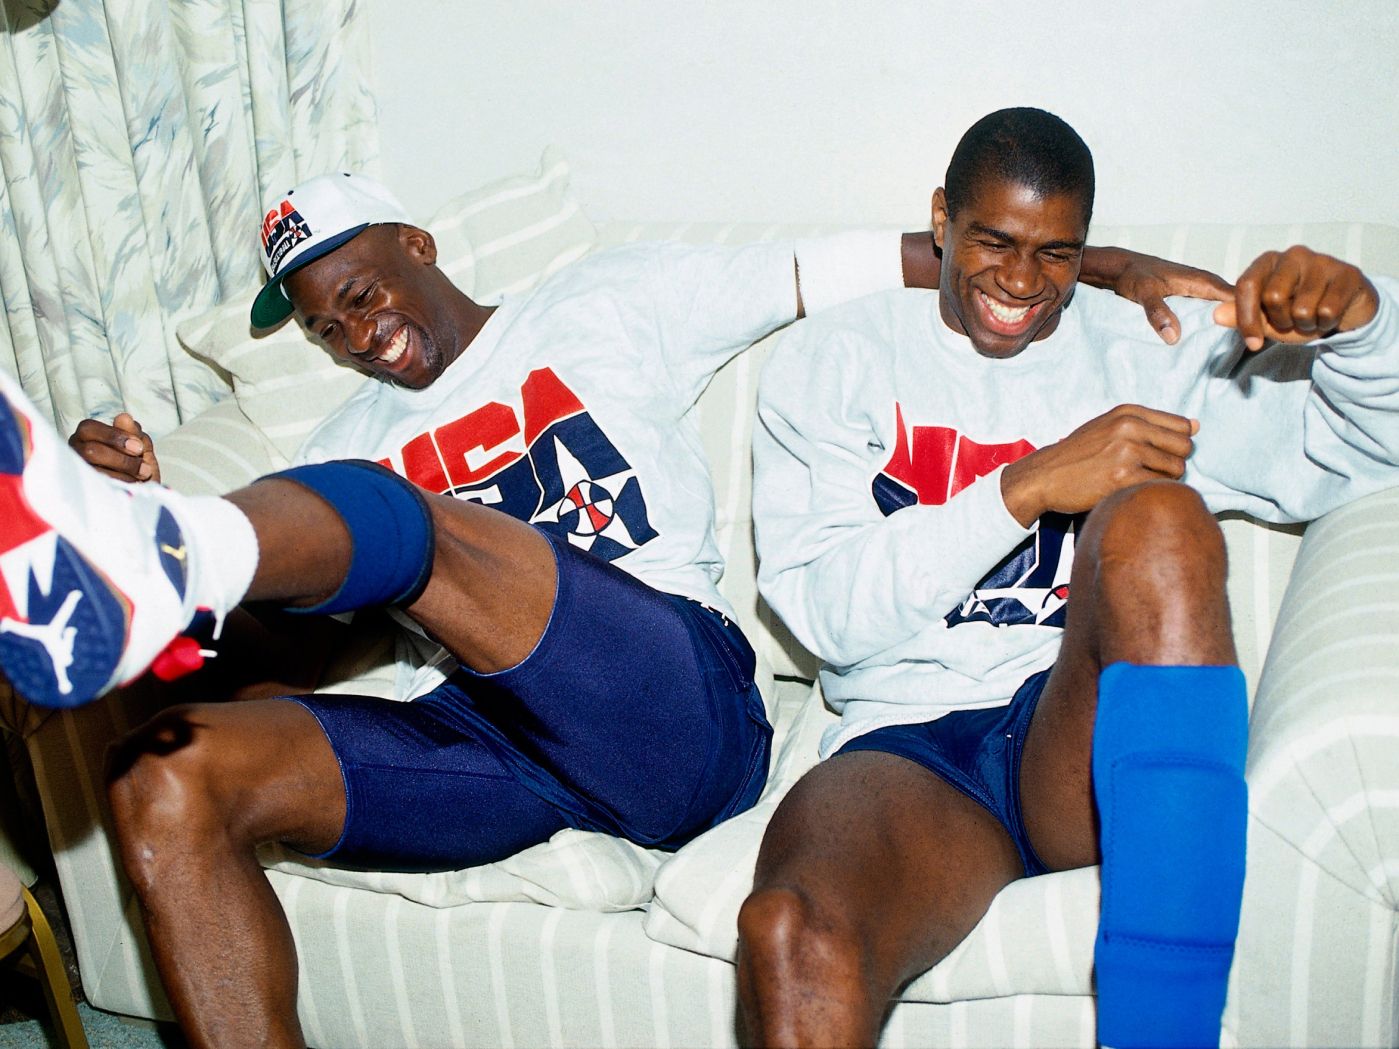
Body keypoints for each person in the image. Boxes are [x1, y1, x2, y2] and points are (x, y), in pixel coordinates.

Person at [3, 169, 1220, 1048]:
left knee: (411, 519)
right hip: (487, 739)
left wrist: (1105, 268)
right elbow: (284, 662)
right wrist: (165, 545)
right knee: (162, 778)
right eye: (329, 327)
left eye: (364, 292)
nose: (361, 335)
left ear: (418, 243)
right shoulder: (346, 437)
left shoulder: (603, 301)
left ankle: (175, 550)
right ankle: (152, 564)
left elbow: (890, 257)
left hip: (671, 707)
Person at [738, 107, 1399, 1049]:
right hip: (907, 748)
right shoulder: (834, 357)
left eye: (1056, 253)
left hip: (1079, 733)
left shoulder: (1145, 346)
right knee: (790, 931)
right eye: (993, 242)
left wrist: (1364, 327)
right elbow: (826, 616)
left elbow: (1365, 454)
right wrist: (1026, 485)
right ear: (941, 220)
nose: (1021, 281)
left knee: (1158, 516)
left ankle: (1162, 1031)